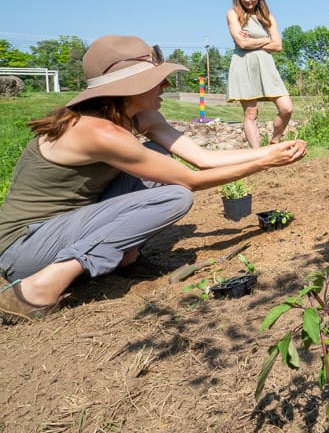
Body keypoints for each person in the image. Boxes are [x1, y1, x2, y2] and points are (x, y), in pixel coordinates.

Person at [0, 35, 307, 323]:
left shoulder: (135, 117)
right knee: (176, 195)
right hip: (25, 248)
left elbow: (203, 159)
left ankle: (125, 258)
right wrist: (265, 163)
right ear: (129, 86)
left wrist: (271, 150)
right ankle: (37, 290)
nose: (167, 84)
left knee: (158, 153)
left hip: (67, 226)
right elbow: (190, 180)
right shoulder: (98, 132)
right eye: (157, 79)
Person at [225, 0, 293, 148]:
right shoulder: (233, 14)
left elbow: (278, 45)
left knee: (286, 108)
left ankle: (274, 141)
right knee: (251, 113)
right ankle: (257, 154)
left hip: (266, 67)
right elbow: (242, 44)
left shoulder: (267, 16)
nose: (247, 0)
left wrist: (255, 40)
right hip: (243, 64)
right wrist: (265, 39)